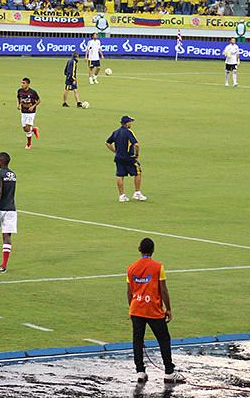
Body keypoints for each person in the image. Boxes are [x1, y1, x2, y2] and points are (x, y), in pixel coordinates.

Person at [126, 238, 184, 384]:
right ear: (153, 250)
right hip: (153, 309)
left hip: (136, 309)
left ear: (139, 249)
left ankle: (140, 372)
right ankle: (169, 373)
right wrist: (169, 309)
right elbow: (163, 290)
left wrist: (131, 308)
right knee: (164, 339)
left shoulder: (131, 267)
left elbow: (129, 291)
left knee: (137, 341)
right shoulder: (158, 267)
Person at [106, 115, 146, 202]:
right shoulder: (128, 132)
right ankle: (137, 193)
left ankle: (122, 196)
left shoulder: (116, 132)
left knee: (120, 175)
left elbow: (108, 143)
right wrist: (137, 154)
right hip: (129, 158)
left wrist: (115, 151)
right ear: (127, 123)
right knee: (138, 172)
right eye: (130, 122)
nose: (131, 123)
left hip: (118, 158)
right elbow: (136, 144)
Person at [16, 77, 40, 150]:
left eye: (24, 83)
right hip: (23, 112)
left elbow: (39, 101)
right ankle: (34, 129)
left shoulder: (32, 92)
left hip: (31, 113)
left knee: (27, 128)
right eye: (21, 83)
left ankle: (29, 144)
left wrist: (33, 106)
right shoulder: (19, 91)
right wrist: (18, 105)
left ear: (28, 84)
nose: (22, 84)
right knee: (25, 129)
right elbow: (18, 98)